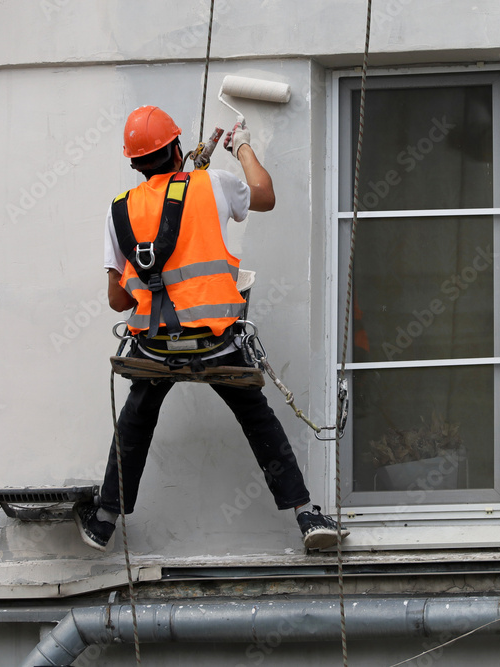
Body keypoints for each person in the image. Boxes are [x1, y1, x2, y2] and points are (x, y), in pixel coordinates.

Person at [74, 105, 348, 552]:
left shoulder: (118, 210)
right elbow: (265, 195)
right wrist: (241, 147)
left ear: (135, 164)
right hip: (214, 343)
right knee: (257, 418)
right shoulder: (213, 183)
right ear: (177, 149)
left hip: (155, 348)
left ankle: (103, 520)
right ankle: (306, 515)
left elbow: (117, 301)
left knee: (136, 419)